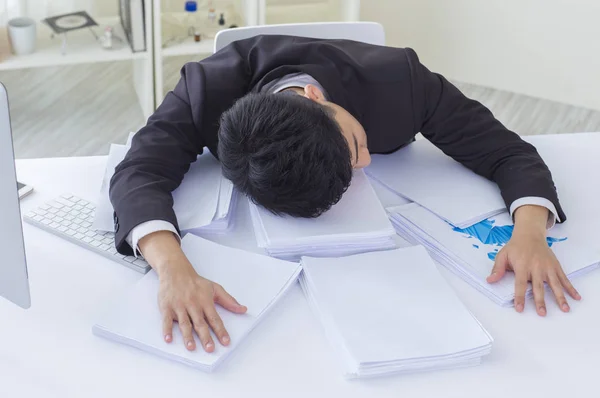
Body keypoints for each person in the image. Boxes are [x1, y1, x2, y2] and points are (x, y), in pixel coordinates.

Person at [109, 35, 579, 354]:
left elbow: (508, 153)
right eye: (358, 150)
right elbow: (139, 171)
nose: (368, 162)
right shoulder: (203, 90)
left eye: (355, 145)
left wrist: (532, 230)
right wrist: (172, 268)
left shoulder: (404, 83)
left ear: (317, 99)